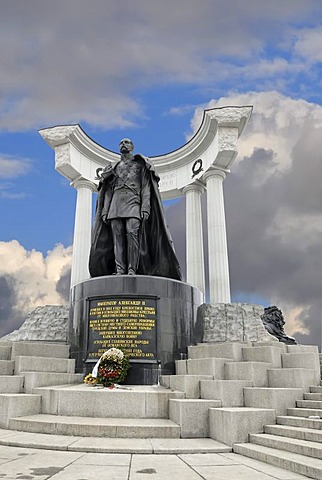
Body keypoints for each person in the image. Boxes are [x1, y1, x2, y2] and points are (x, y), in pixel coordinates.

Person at [89, 138, 181, 280]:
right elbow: (108, 191)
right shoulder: (113, 167)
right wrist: (105, 210)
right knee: (117, 238)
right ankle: (120, 269)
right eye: (121, 143)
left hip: (134, 203)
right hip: (115, 204)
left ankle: (132, 268)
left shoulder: (140, 166)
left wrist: (145, 207)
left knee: (132, 235)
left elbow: (146, 187)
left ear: (132, 146)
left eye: (126, 142)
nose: (123, 144)